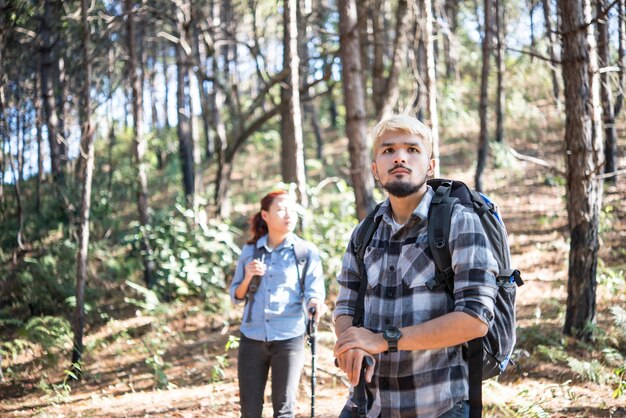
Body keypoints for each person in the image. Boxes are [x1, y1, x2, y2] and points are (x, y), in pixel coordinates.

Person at [332, 114, 499, 418]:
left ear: (431, 165)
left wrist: (384, 340)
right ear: (375, 169)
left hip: (437, 406)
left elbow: (475, 319)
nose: (399, 158)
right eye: (388, 150)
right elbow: (344, 307)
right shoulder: (364, 232)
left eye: (412, 149)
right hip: (369, 406)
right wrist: (351, 343)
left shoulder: (459, 223)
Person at [230, 190, 326, 418]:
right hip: (252, 339)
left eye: (292, 209)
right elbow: (236, 295)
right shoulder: (250, 251)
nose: (288, 214)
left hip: (289, 337)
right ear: (265, 215)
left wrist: (315, 303)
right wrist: (247, 277)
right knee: (250, 411)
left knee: (284, 411)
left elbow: (315, 291)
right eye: (281, 209)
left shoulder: (305, 251)